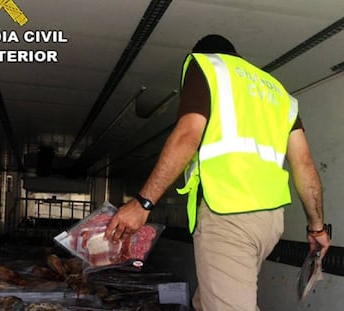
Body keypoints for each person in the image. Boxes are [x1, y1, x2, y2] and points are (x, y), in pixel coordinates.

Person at [104, 34, 330, 310]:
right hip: (269, 224)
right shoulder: (278, 93)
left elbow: (188, 136)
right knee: (207, 301)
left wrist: (143, 203)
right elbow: (304, 164)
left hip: (228, 214)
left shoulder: (207, 66)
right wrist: (317, 227)